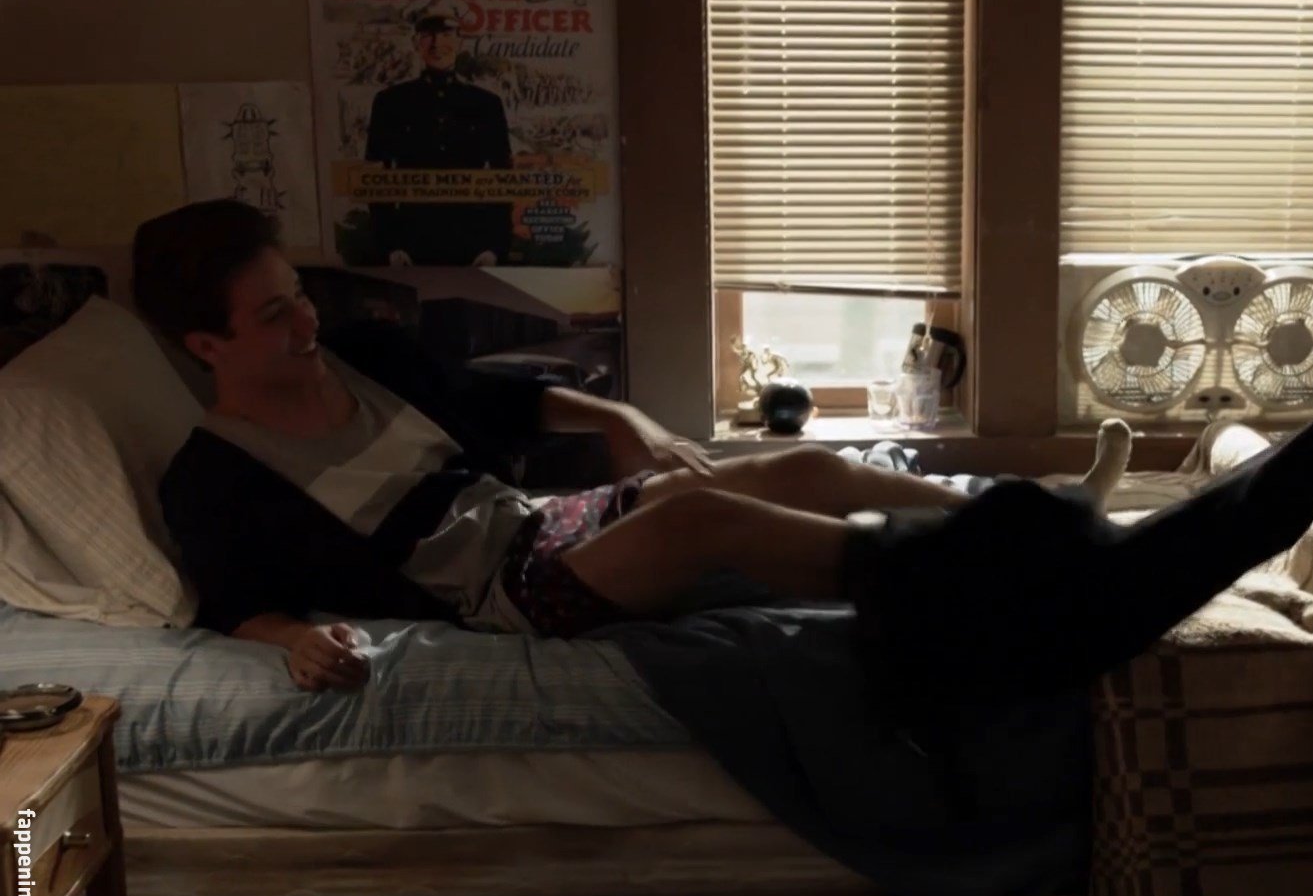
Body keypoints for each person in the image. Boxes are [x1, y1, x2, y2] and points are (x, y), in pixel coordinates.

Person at [133, 199, 1125, 692]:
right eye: (274, 316)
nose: (305, 321)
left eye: (298, 295)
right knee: (703, 517)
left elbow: (500, 403)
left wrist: (621, 420)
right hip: (499, 602)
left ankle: (1050, 518)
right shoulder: (214, 477)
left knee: (802, 467)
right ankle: (976, 583)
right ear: (205, 344)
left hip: (540, 529)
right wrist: (297, 642)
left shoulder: (363, 355)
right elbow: (234, 606)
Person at [364, 1, 516, 267]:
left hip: (474, 246)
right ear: (416, 42)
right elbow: (376, 179)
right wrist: (390, 246)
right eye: (428, 35)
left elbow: (502, 179)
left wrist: (494, 247)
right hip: (410, 244)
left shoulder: (486, 104)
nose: (437, 44)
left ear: (460, 41)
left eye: (446, 34)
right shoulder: (390, 102)